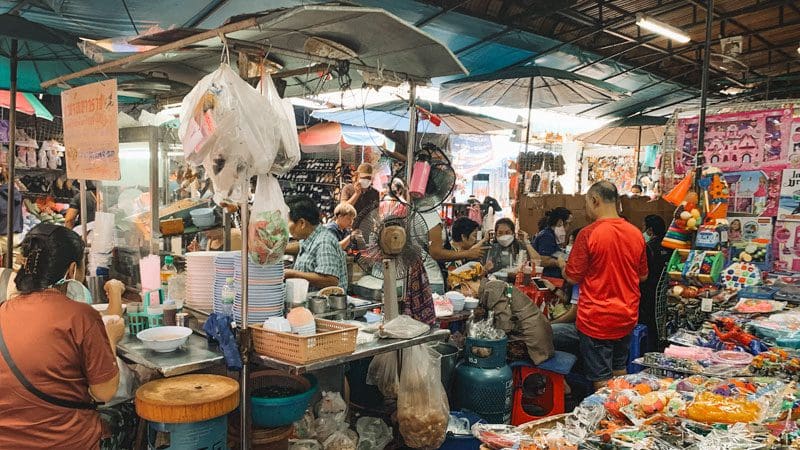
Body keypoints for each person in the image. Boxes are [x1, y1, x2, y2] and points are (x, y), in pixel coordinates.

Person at [0, 223, 127, 449]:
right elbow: (104, 392)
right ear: (72, 270)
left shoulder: (3, 311)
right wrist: (111, 338)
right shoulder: (81, 316)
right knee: (124, 417)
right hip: (68, 441)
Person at [558, 181, 648, 390]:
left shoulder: (588, 234)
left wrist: (563, 266)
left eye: (586, 203)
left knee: (600, 378)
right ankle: (622, 407)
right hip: (626, 315)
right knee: (619, 369)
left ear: (594, 200)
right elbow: (642, 276)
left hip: (597, 318)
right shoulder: (635, 233)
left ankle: (606, 410)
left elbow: (572, 277)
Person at [285, 196, 348, 290]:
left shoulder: (324, 242)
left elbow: (331, 280)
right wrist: (279, 250)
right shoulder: (311, 237)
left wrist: (293, 274)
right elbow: (302, 246)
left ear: (302, 223)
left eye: (288, 222)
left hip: (324, 299)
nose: (286, 226)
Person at [640, 215, 669, 352]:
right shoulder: (670, 244)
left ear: (650, 230)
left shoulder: (649, 247)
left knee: (650, 320)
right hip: (665, 287)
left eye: (643, 226)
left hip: (649, 289)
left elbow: (643, 272)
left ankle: (650, 347)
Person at [532, 207, 572, 278]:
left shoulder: (554, 235)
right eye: (568, 223)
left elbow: (554, 253)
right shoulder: (546, 236)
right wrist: (558, 262)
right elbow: (543, 260)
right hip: (547, 277)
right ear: (560, 222)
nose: (569, 227)